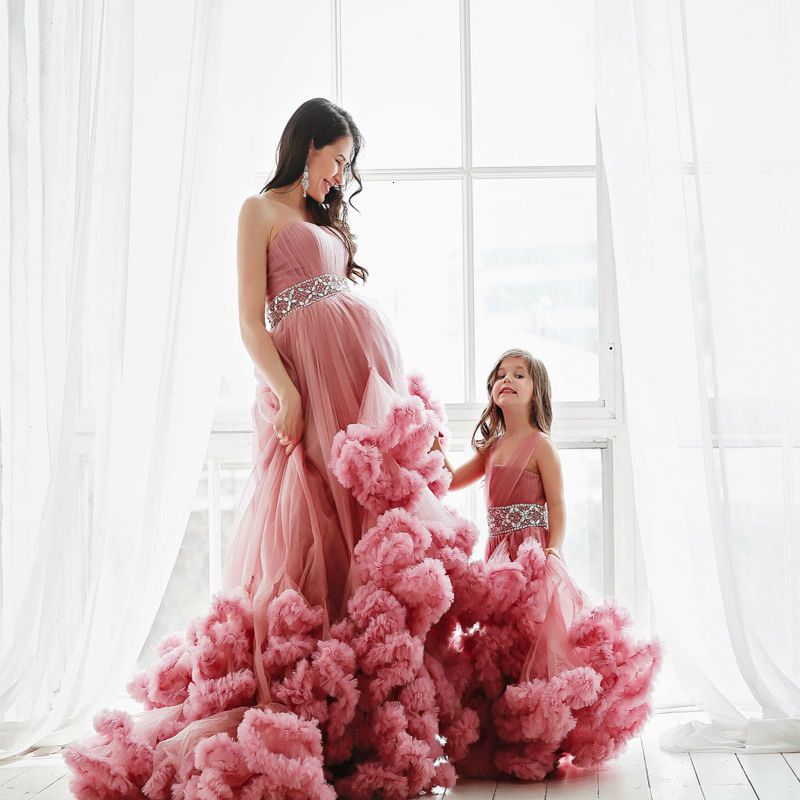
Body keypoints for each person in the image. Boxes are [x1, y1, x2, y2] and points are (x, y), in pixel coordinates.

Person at [63, 98, 482, 800]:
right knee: (314, 516)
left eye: (349, 167)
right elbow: (250, 321)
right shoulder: (259, 212)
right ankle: (307, 704)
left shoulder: (323, 221)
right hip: (309, 380)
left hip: (360, 377)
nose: (340, 177)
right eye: (337, 159)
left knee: (365, 514)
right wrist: (285, 390)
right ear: (308, 144)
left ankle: (356, 707)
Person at [434, 348, 663, 779]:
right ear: (492, 390)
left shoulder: (541, 446)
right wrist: (432, 445)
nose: (508, 380)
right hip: (499, 558)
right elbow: (450, 480)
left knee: (541, 632)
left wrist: (553, 549)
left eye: (519, 375)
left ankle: (550, 730)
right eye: (501, 374)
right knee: (502, 637)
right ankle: (512, 728)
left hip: (533, 553)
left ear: (536, 390)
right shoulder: (493, 448)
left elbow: (557, 504)